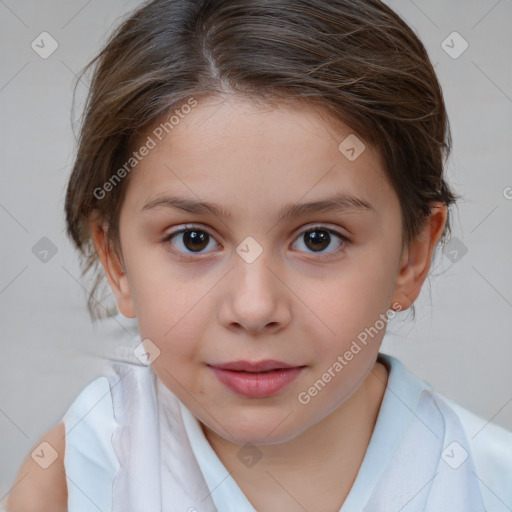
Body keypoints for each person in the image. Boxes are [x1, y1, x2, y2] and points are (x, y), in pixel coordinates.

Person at [5, 0, 512, 510]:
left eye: (319, 239)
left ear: (412, 255)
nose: (253, 308)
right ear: (116, 260)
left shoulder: (489, 481)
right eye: (194, 239)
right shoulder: (77, 478)